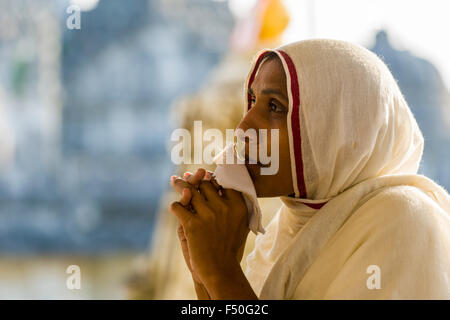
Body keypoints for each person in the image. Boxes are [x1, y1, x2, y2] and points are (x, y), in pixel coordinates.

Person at [168, 39, 450, 299]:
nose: (244, 127)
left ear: (337, 128)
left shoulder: (402, 219)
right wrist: (205, 273)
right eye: (252, 101)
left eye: (275, 106)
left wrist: (222, 272)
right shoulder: (288, 229)